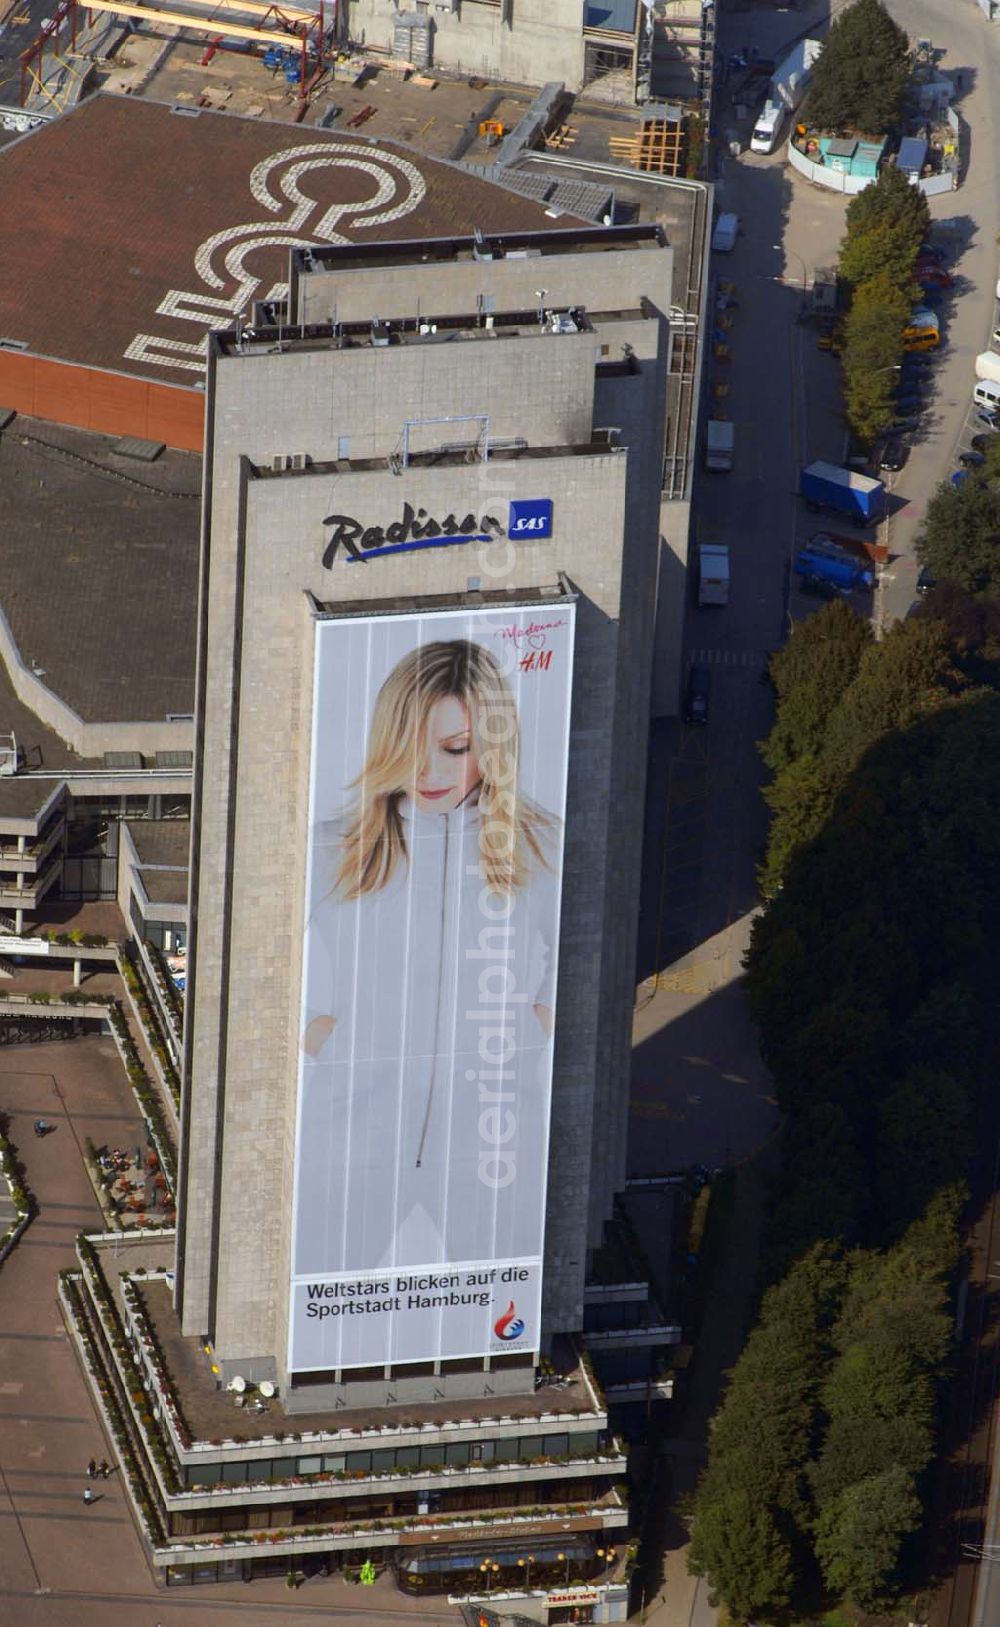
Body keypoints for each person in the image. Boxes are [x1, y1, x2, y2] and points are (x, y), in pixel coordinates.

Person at [298, 637, 564, 1275]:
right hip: (356, 1141)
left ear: (491, 748)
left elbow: (569, 979)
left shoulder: (542, 847)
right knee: (328, 1297)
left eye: (454, 749)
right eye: (411, 747)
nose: (429, 772)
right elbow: (275, 979)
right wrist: (331, 1040)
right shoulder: (333, 847)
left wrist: (530, 1031)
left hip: (491, 1150)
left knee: (499, 1310)